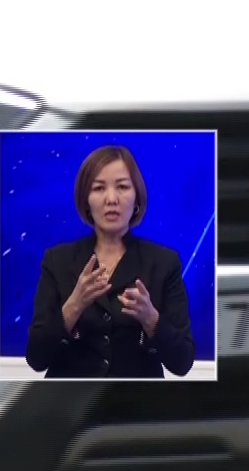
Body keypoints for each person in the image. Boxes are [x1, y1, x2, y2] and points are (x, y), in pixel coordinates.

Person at [25, 145, 195, 378]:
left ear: (137, 198)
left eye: (123, 187)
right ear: (86, 200)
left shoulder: (164, 262)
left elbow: (182, 362)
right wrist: (74, 305)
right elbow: (36, 358)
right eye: (99, 188)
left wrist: (151, 319)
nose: (111, 199)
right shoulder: (58, 260)